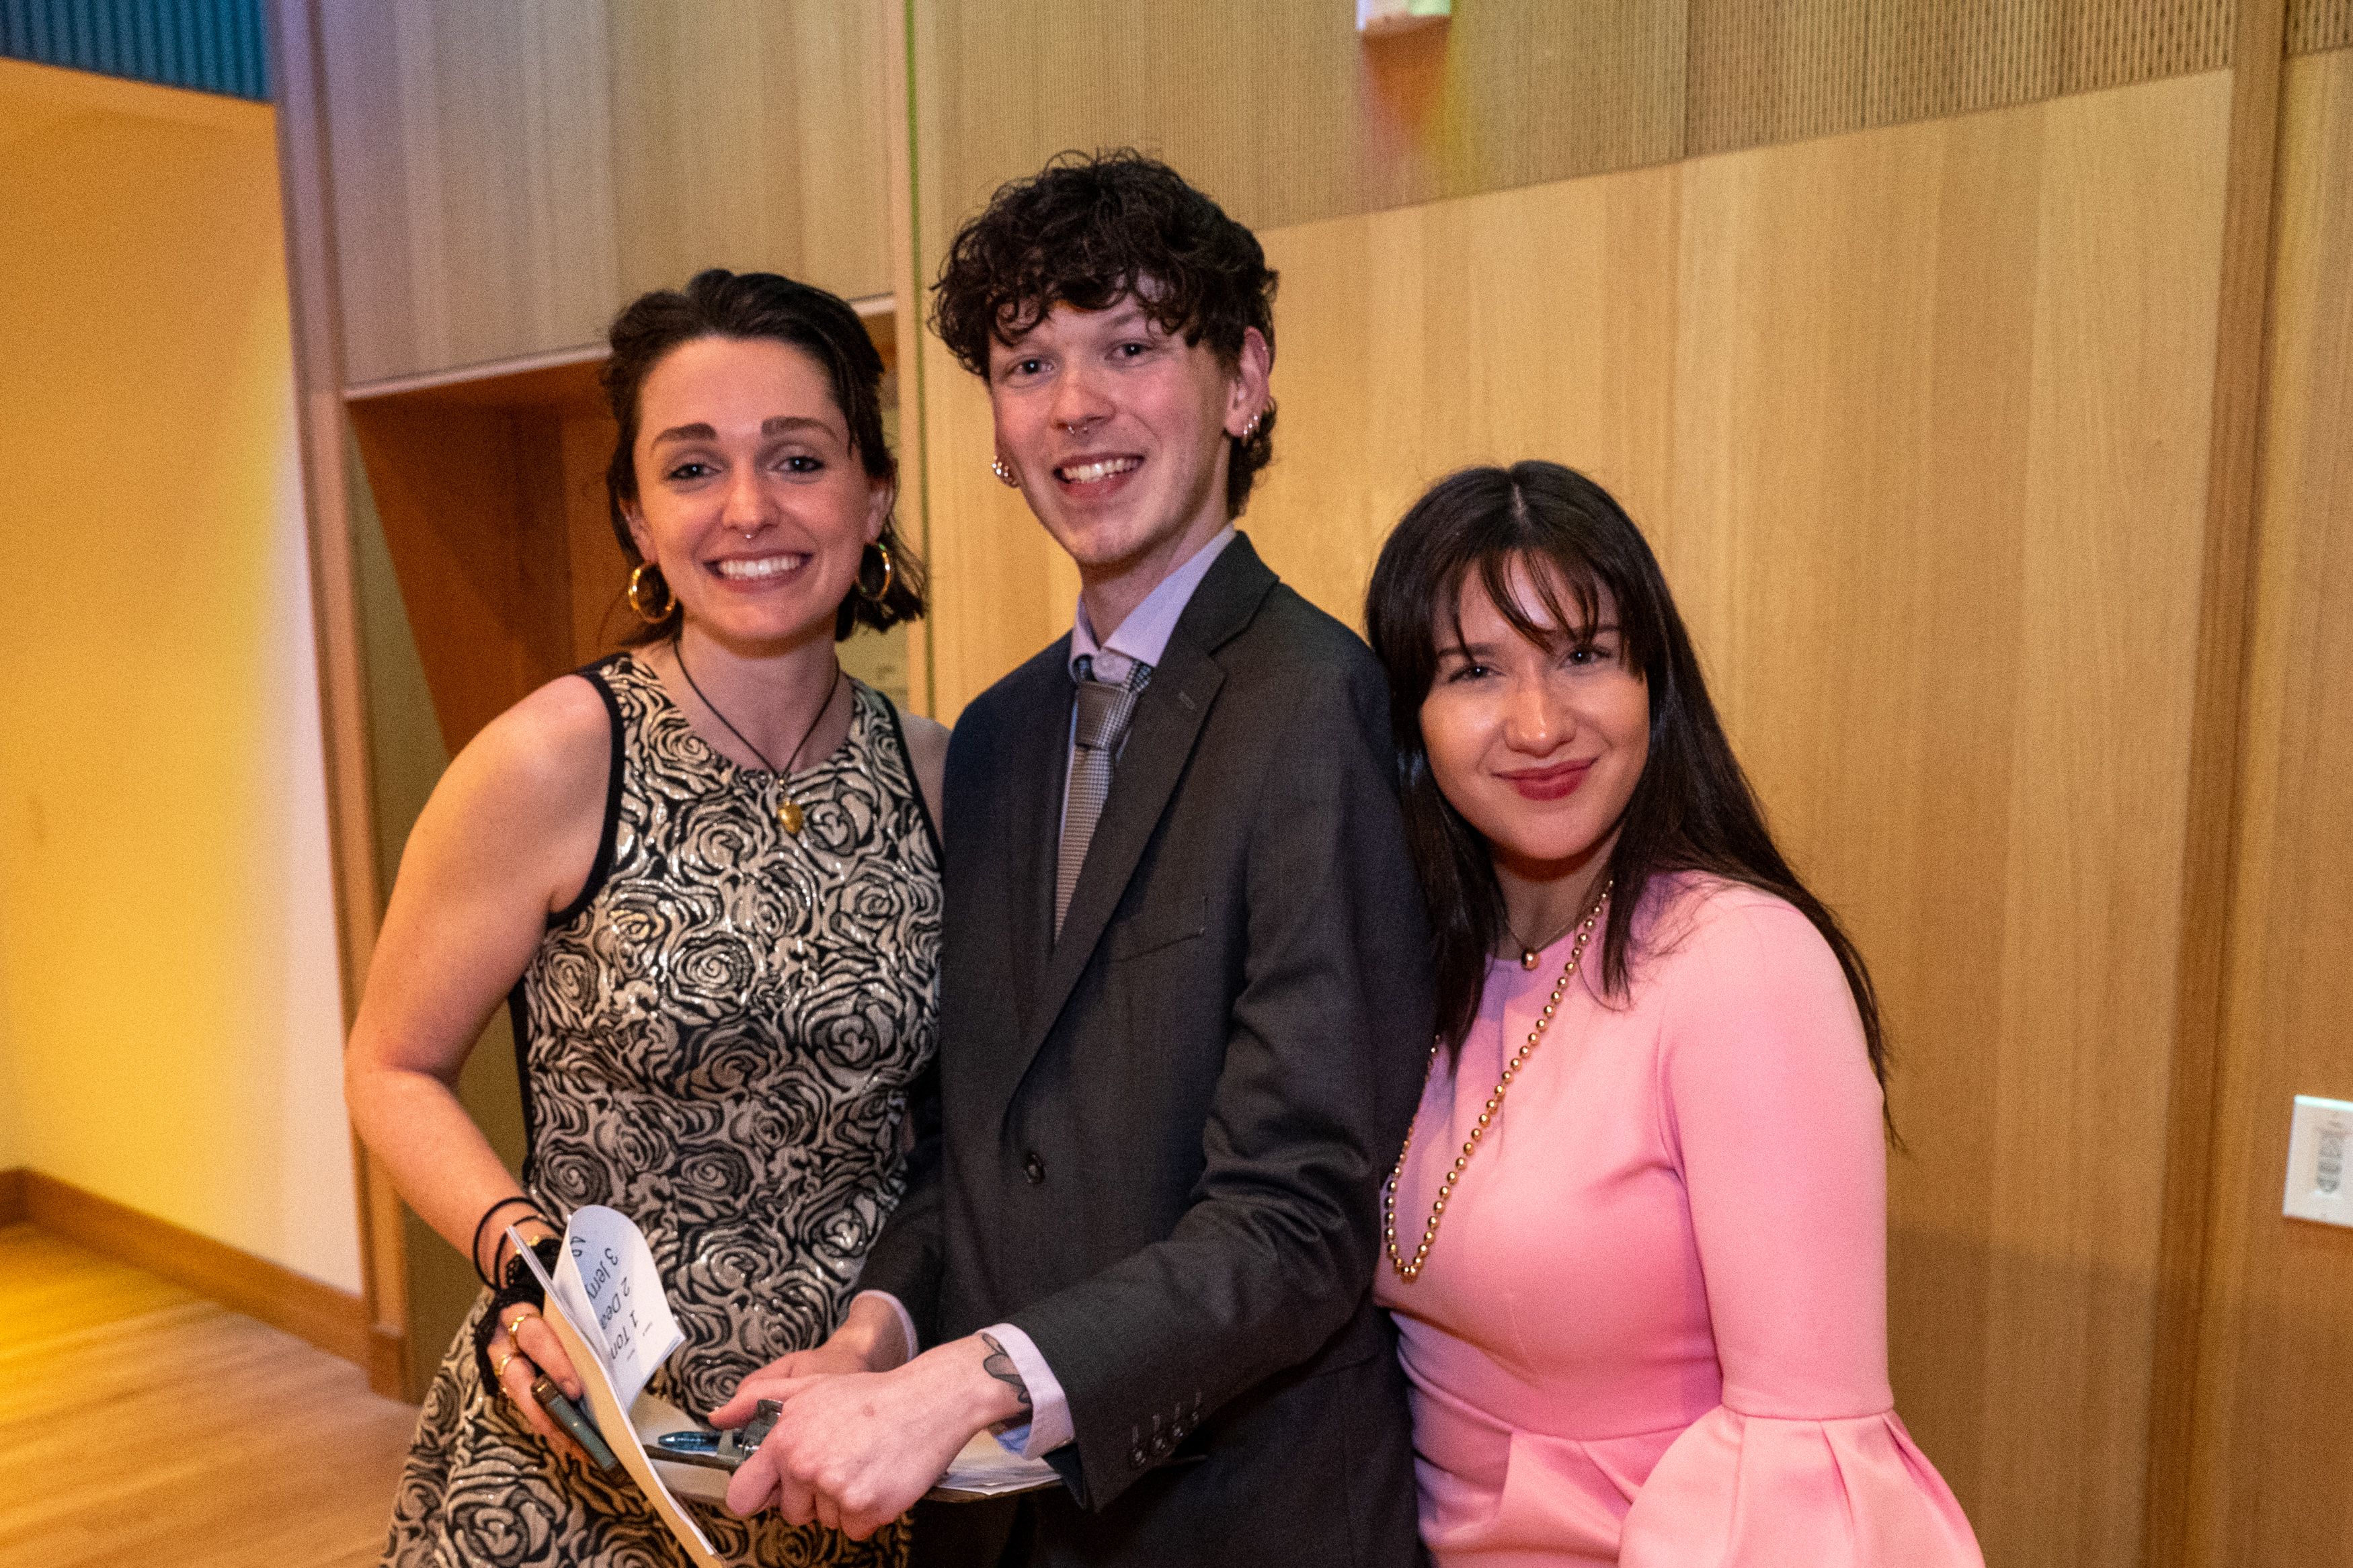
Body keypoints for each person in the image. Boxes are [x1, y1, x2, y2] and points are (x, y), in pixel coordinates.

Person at [713, 151, 1434, 1566]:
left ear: (1243, 382)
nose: (1077, 405)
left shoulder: (1318, 704)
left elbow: (1296, 1220)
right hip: (1007, 1521)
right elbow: (975, 1143)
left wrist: (971, 1380)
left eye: (1132, 346)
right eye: (1029, 362)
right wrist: (874, 1336)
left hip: (1239, 1512)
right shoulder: (993, 736)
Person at [349, 267, 945, 1567]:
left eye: (798, 457)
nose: (749, 509)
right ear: (635, 513)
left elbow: (963, 1129)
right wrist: (526, 1269)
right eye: (691, 468)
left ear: (874, 492)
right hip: (576, 1443)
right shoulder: (556, 756)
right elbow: (389, 1065)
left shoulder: (942, 775)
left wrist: (882, 1352)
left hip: (838, 1456)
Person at [1360, 461, 1984, 1567]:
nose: (1539, 722)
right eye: (1476, 671)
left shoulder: (1740, 964)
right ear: (1412, 717)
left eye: (1584, 655)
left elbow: (1802, 1471)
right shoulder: (1418, 959)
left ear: (1656, 680)